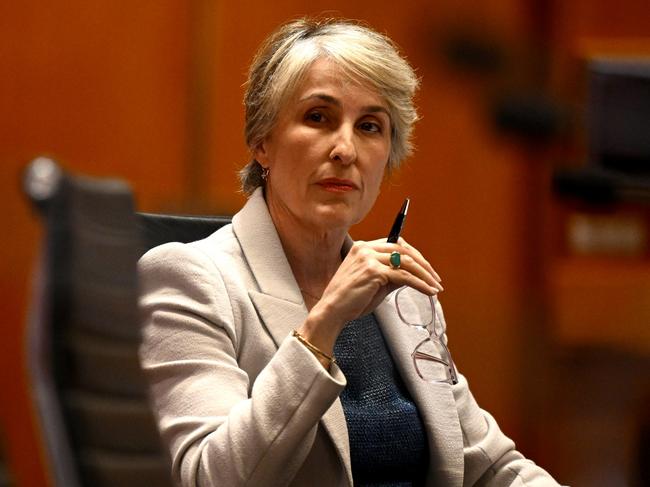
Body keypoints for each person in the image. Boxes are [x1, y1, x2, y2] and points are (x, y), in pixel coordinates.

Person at [139, 17, 562, 487]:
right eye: (318, 117)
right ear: (262, 141)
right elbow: (213, 477)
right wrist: (325, 323)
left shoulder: (405, 297)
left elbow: (492, 467)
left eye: (369, 127)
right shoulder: (189, 280)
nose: (345, 149)